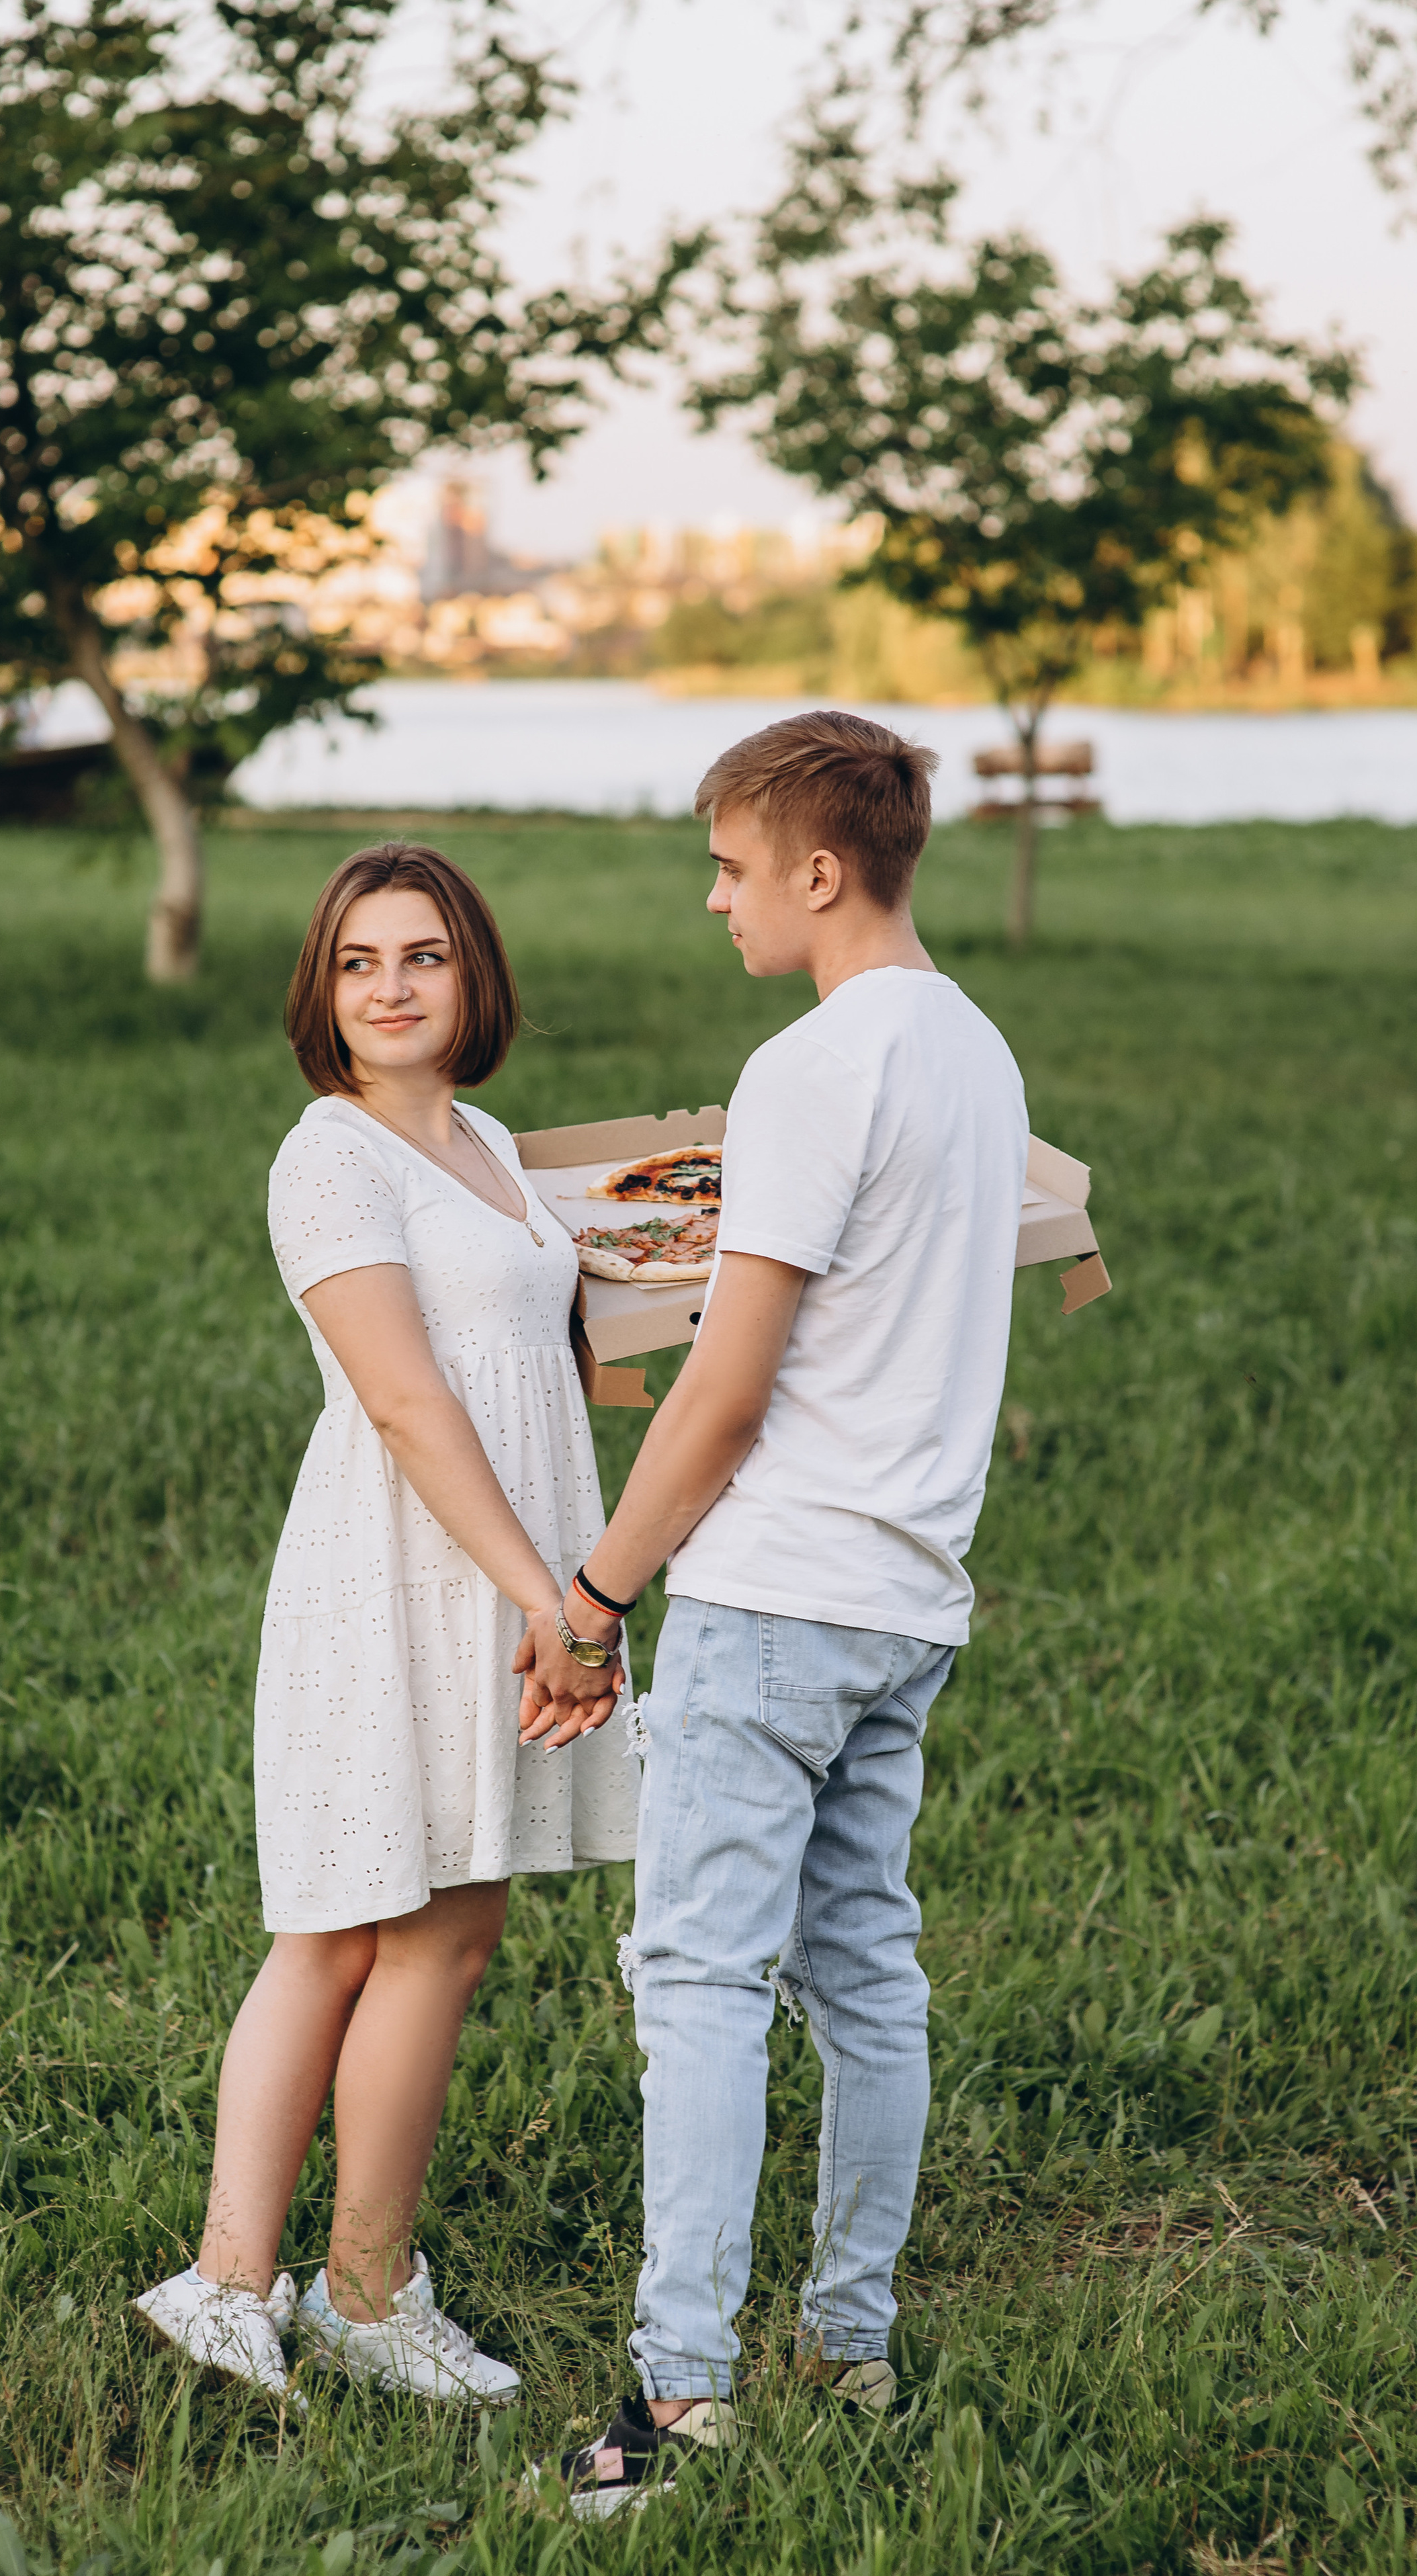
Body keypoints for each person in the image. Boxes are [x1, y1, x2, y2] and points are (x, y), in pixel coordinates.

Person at [519, 712, 1029, 2511]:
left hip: (775, 1594)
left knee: (701, 1981)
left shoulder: (812, 1065)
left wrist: (597, 1591)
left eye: (732, 868)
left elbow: (726, 1393)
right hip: (907, 1598)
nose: (715, 898)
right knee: (865, 1971)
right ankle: (850, 2346)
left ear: (820, 871)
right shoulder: (976, 1050)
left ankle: (676, 2399)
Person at [133, 841, 636, 2409]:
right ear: (323, 991)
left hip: (518, 1566)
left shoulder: (492, 1144)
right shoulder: (328, 1158)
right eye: (358, 963)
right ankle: (227, 2283)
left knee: (452, 1930)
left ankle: (365, 2291)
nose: (391, 987)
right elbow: (408, 1402)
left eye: (422, 955)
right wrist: (551, 1599)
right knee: (341, 1924)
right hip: (404, 1570)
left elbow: (553, 1348)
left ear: (472, 973)